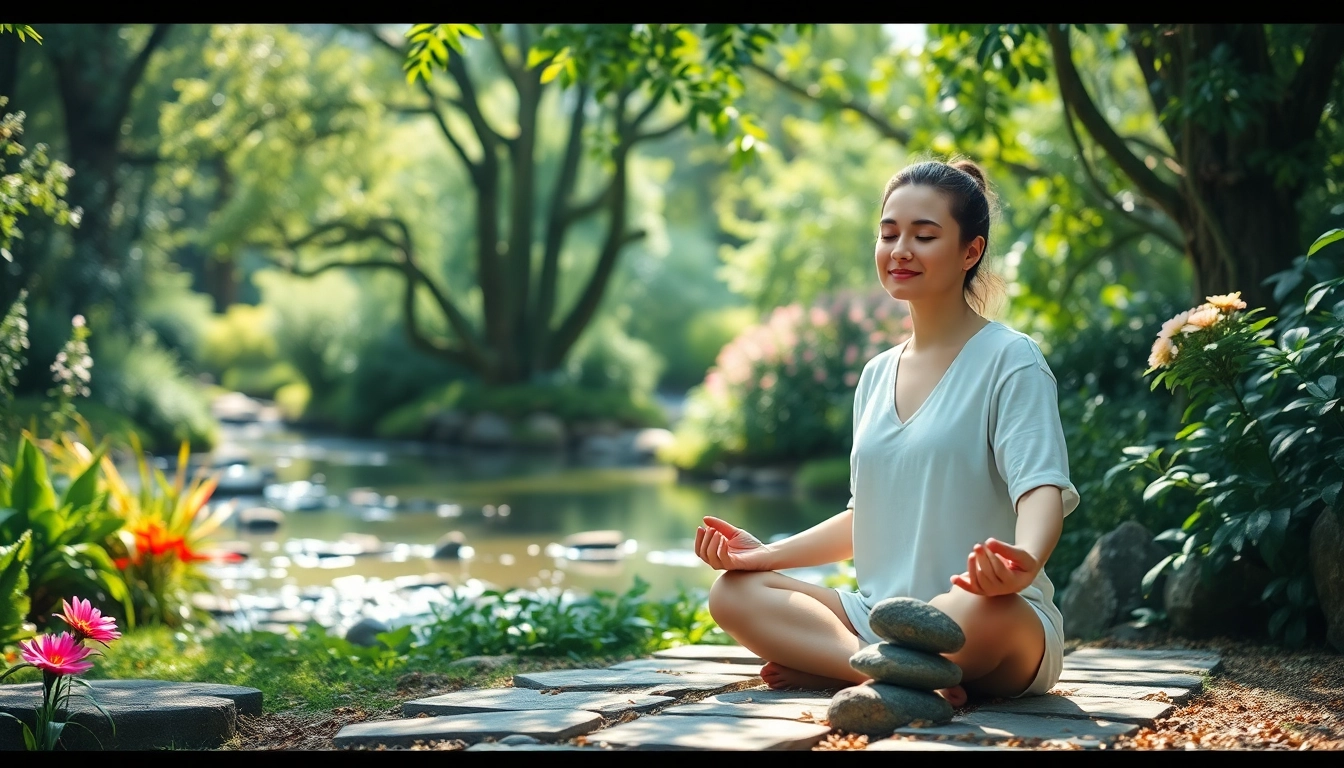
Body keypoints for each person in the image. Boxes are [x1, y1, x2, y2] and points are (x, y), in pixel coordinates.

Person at [694, 157, 1079, 705]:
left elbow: (1041, 488)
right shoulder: (876, 375)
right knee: (733, 594)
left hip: (987, 613)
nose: (900, 250)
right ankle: (878, 674)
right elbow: (865, 518)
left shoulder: (1011, 359)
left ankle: (848, 664)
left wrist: (1023, 564)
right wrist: (764, 557)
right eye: (889, 233)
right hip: (876, 615)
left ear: (971, 251)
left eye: (924, 236)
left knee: (962, 612)